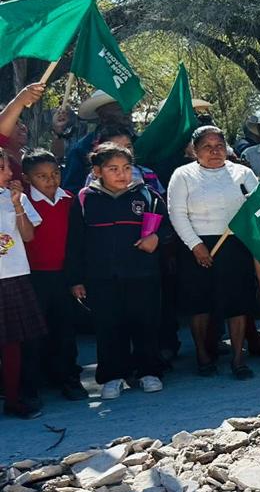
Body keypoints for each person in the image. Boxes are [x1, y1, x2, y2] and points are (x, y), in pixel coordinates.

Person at [66, 143, 169, 400]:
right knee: (108, 327)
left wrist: (156, 238)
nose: (122, 174)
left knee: (145, 324)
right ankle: (112, 376)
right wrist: (76, 279)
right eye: (113, 169)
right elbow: (75, 243)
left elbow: (168, 227)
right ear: (98, 171)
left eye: (126, 168)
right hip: (101, 278)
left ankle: (149, 371)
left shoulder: (145, 195)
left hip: (142, 275)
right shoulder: (84, 199)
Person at [167, 125, 260, 380]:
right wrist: (195, 245)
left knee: (238, 303)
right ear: (194, 151)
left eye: (219, 146)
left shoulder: (242, 172)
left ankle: (238, 359)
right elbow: (177, 213)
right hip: (196, 246)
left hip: (235, 243)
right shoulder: (183, 175)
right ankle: (203, 355)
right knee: (200, 304)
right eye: (207, 147)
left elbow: (259, 204)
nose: (214, 151)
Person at [21, 149, 85, 400]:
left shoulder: (69, 200)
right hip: (32, 277)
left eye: (55, 173)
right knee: (33, 334)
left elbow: (76, 243)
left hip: (63, 276)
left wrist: (75, 278)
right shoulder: (22, 201)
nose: (50, 180)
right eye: (42, 176)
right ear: (27, 178)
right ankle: (31, 385)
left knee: (65, 331)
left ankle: (69, 379)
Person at [0, 152, 45, 418]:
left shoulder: (16, 198)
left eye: (6, 167)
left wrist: (17, 204)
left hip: (13, 275)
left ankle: (15, 398)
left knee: (12, 342)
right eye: (2, 169)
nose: (8, 173)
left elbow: (28, 235)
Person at [60, 90, 129, 190]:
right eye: (119, 109)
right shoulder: (81, 149)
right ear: (103, 115)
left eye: (127, 108)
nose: (127, 113)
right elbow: (71, 190)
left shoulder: (140, 143)